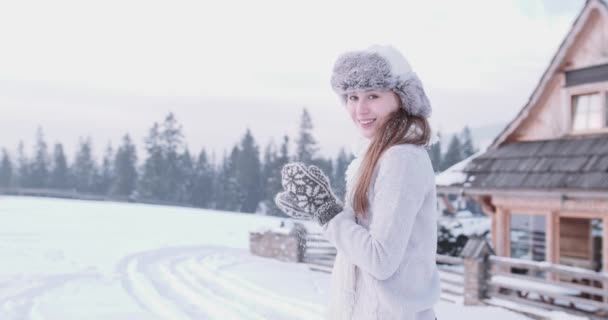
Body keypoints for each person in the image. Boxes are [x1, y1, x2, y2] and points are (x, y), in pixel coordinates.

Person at [275, 45, 440, 320]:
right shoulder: (379, 156)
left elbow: (380, 259)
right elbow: (367, 242)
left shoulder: (401, 159)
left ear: (401, 98)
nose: (360, 109)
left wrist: (328, 213)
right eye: (352, 97)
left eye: (372, 96)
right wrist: (327, 212)